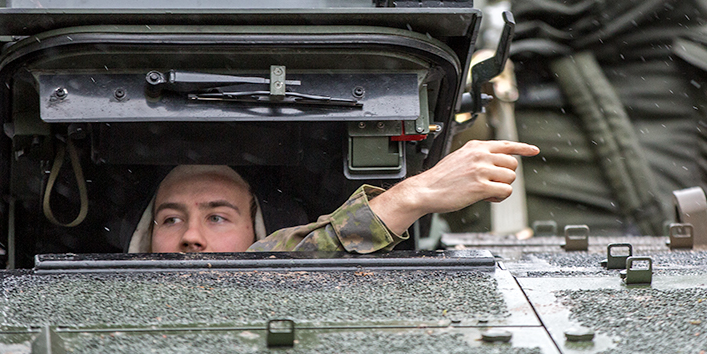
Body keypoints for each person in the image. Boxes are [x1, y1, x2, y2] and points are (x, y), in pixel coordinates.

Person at [129, 140, 540, 254]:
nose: (191, 237)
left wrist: (415, 195)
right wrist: (417, 192)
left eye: (217, 217)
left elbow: (285, 262)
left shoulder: (270, 269)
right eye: (170, 219)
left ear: (258, 229)